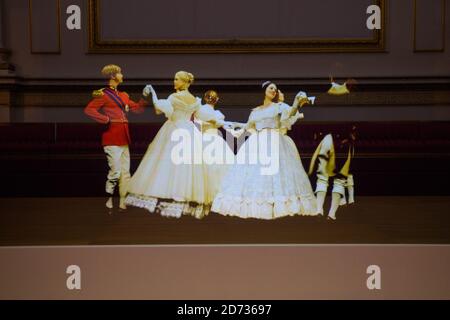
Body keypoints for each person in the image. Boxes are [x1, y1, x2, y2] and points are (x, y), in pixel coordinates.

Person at [211, 81, 318, 219]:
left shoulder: (279, 106)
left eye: (275, 89)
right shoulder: (255, 111)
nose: (274, 90)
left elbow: (290, 112)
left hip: (274, 140)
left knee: (276, 174)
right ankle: (260, 206)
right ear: (264, 90)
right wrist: (235, 124)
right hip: (258, 141)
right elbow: (249, 127)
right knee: (256, 174)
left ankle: (276, 205)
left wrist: (297, 102)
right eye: (271, 88)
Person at [126, 71, 213, 219]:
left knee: (169, 161)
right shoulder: (195, 100)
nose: (174, 81)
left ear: (185, 82)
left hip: (174, 128)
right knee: (187, 164)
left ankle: (172, 192)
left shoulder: (174, 97)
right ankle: (183, 192)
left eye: (177, 79)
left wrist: (152, 93)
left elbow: (159, 109)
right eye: (174, 79)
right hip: (189, 130)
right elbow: (201, 116)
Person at [84, 64, 149, 210]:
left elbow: (137, 109)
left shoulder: (124, 95)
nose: (122, 75)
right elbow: (89, 110)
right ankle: (108, 201)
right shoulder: (103, 94)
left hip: (123, 137)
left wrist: (145, 97)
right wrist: (105, 119)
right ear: (113, 76)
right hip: (112, 137)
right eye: (120, 73)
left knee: (125, 172)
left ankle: (123, 202)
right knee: (116, 172)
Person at [309, 127, 356, 221]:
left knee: (322, 178)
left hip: (328, 139)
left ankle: (319, 209)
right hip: (345, 142)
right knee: (339, 181)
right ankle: (331, 214)